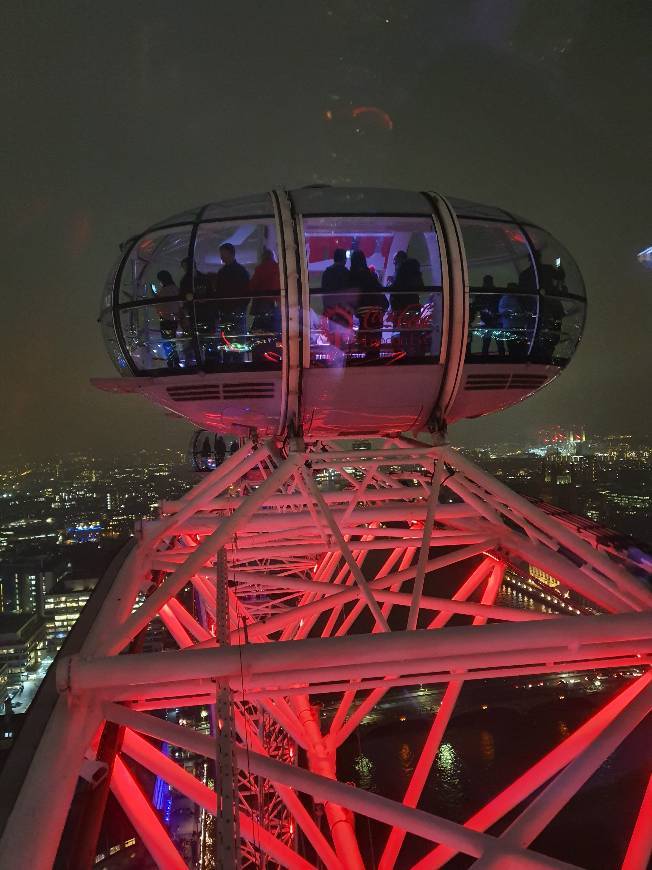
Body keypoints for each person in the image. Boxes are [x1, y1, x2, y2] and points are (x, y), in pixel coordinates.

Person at [350, 249, 388, 356]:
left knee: (366, 342)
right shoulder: (371, 275)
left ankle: (367, 363)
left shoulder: (353, 275)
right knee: (374, 342)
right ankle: (374, 362)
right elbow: (380, 292)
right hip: (377, 310)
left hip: (364, 311)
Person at [320, 249, 355, 358]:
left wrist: (327, 309)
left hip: (332, 311)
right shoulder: (348, 274)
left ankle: (333, 358)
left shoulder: (327, 272)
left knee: (333, 335)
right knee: (343, 337)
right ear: (344, 260)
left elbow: (324, 292)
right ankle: (343, 357)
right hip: (345, 311)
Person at [389, 255, 424, 355]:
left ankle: (403, 354)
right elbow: (421, 288)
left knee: (403, 333)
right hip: (414, 308)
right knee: (414, 332)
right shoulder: (416, 275)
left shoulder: (401, 272)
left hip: (402, 309)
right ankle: (415, 354)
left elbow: (395, 290)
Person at [249, 248, 281, 334]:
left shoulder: (260, 269)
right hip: (278, 303)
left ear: (263, 257)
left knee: (261, 330)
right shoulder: (279, 268)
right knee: (276, 327)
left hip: (263, 304)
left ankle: (264, 344)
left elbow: (252, 286)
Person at [155, 270, 181, 368]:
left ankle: (171, 361)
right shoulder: (175, 289)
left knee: (167, 342)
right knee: (172, 341)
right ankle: (175, 360)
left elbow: (160, 306)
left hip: (166, 319)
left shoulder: (164, 291)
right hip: (174, 319)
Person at [478, 275, 506, 357]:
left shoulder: (481, 293)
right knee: (498, 343)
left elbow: (478, 305)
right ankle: (502, 358)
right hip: (495, 320)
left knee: (487, 343)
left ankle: (484, 359)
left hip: (488, 321)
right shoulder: (496, 292)